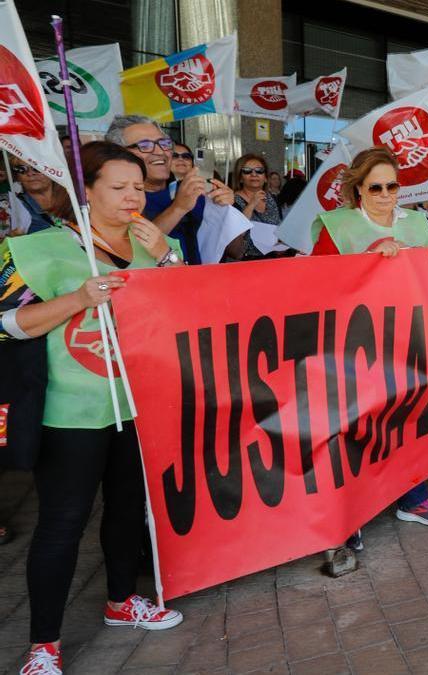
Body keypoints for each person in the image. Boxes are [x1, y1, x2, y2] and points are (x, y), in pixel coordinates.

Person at [4, 142, 186, 675]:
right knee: (63, 523)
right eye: (118, 187)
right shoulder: (36, 249)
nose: (133, 196)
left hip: (138, 404)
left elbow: (188, 310)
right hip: (70, 412)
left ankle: (121, 600)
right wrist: (78, 299)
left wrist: (170, 256)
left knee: (129, 511)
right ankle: (44, 646)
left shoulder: (152, 242)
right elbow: (8, 324)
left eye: (139, 186)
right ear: (84, 189)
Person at [309, 147, 428, 552]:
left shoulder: (418, 223)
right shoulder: (337, 227)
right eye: (376, 187)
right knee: (356, 426)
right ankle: (351, 514)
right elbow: (317, 284)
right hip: (355, 344)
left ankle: (410, 496)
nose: (387, 194)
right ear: (358, 189)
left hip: (409, 335)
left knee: (407, 417)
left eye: (393, 185)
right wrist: (369, 259)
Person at [105, 115, 235, 265]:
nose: (160, 152)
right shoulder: (115, 200)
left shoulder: (193, 191)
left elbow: (235, 250)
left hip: (197, 283)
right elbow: (132, 254)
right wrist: (178, 208)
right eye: (145, 145)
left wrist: (227, 210)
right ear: (117, 153)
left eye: (165, 143)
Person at [226, 153, 282, 261]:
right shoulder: (231, 200)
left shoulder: (273, 199)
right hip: (244, 262)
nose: (254, 174)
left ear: (265, 178)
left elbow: (279, 227)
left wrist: (281, 243)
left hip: (272, 260)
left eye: (259, 171)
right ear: (240, 178)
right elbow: (235, 232)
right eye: (247, 171)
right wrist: (252, 204)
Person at [8, 157, 72, 234]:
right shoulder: (12, 208)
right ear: (17, 176)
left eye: (37, 167)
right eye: (22, 169)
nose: (30, 173)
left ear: (53, 171)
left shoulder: (72, 199)